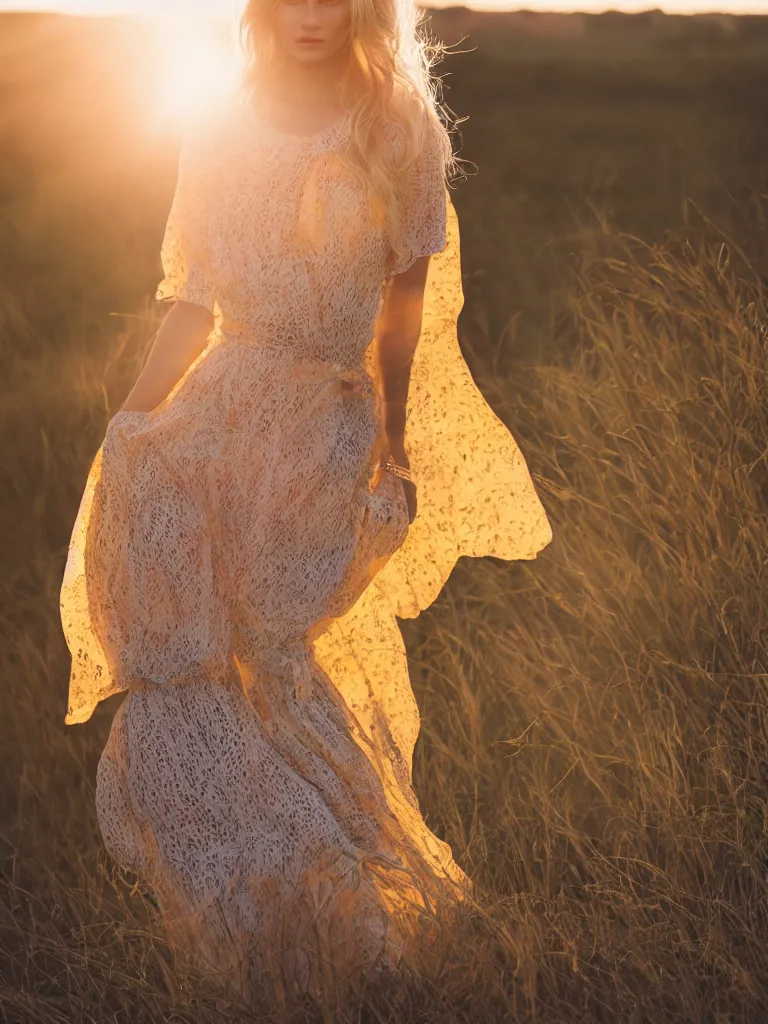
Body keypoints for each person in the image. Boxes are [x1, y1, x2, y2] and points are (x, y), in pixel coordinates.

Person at [58, 0, 553, 1006]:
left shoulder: (395, 125)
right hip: (214, 416)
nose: (314, 15)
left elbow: (408, 300)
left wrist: (394, 436)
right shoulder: (218, 122)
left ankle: (352, 906)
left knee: (279, 659)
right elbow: (192, 297)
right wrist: (133, 421)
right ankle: (246, 914)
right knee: (188, 664)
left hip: (323, 423)